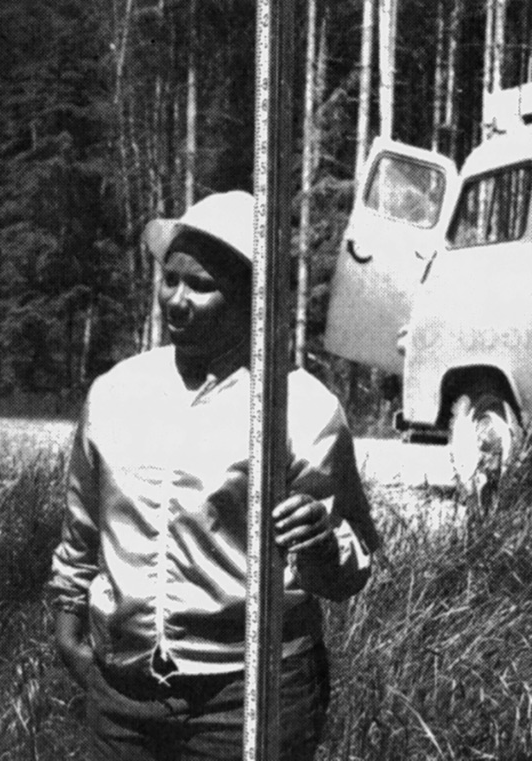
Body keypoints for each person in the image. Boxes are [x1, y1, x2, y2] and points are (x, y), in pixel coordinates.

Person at [49, 190, 380, 760]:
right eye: (170, 279)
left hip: (249, 697)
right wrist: (67, 622)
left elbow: (348, 569)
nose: (177, 301)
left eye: (201, 286)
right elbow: (82, 530)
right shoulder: (116, 393)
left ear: (252, 296)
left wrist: (322, 542)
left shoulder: (299, 406)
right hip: (124, 699)